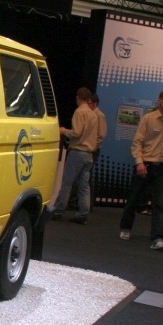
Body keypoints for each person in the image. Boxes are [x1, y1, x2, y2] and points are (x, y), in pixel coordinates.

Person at [118, 89, 163, 250]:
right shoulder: (148, 118)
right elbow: (137, 142)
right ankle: (125, 228)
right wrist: (139, 163)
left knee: (159, 204)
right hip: (146, 164)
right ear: (159, 100)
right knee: (134, 200)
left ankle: (157, 238)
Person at [50, 87, 100, 224]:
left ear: (78, 97)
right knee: (84, 186)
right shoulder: (93, 114)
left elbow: (76, 133)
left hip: (78, 152)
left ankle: (58, 210)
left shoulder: (79, 112)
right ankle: (83, 213)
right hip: (89, 154)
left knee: (67, 183)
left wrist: (63, 131)